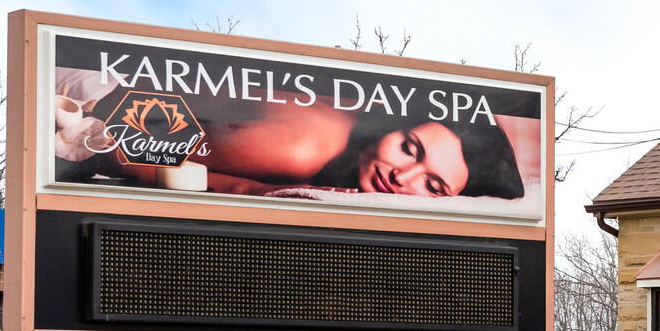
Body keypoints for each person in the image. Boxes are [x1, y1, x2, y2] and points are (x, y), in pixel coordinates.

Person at [73, 93, 524, 200]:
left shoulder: (335, 171)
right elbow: (123, 141)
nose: (400, 177)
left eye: (434, 185)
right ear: (398, 124)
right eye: (410, 149)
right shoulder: (305, 146)